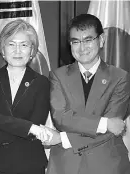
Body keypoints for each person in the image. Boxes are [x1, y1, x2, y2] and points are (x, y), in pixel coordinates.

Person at [45, 14, 130, 174]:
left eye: (88, 40)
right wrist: (105, 123)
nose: (82, 48)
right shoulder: (58, 76)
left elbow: (115, 128)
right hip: (66, 164)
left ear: (101, 40)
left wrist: (63, 138)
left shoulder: (120, 77)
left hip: (107, 165)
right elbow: (61, 118)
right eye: (75, 41)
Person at [0, 19, 53, 174]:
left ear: (32, 51)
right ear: (3, 50)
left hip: (29, 162)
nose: (17, 50)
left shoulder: (42, 83)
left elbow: (36, 123)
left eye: (24, 45)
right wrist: (29, 128)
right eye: (11, 44)